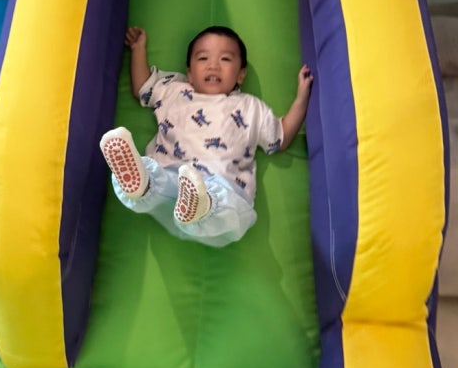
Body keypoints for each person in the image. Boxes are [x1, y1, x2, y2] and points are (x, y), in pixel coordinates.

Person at [99, 25, 313, 247]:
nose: (213, 65)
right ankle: (141, 184)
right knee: (159, 179)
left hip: (225, 193)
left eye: (225, 59)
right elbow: (143, 87)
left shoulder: (250, 107)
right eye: (203, 58)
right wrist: (138, 49)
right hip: (174, 185)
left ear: (241, 74)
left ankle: (200, 204)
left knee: (225, 201)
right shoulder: (173, 90)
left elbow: (280, 137)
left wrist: (301, 98)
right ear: (190, 73)